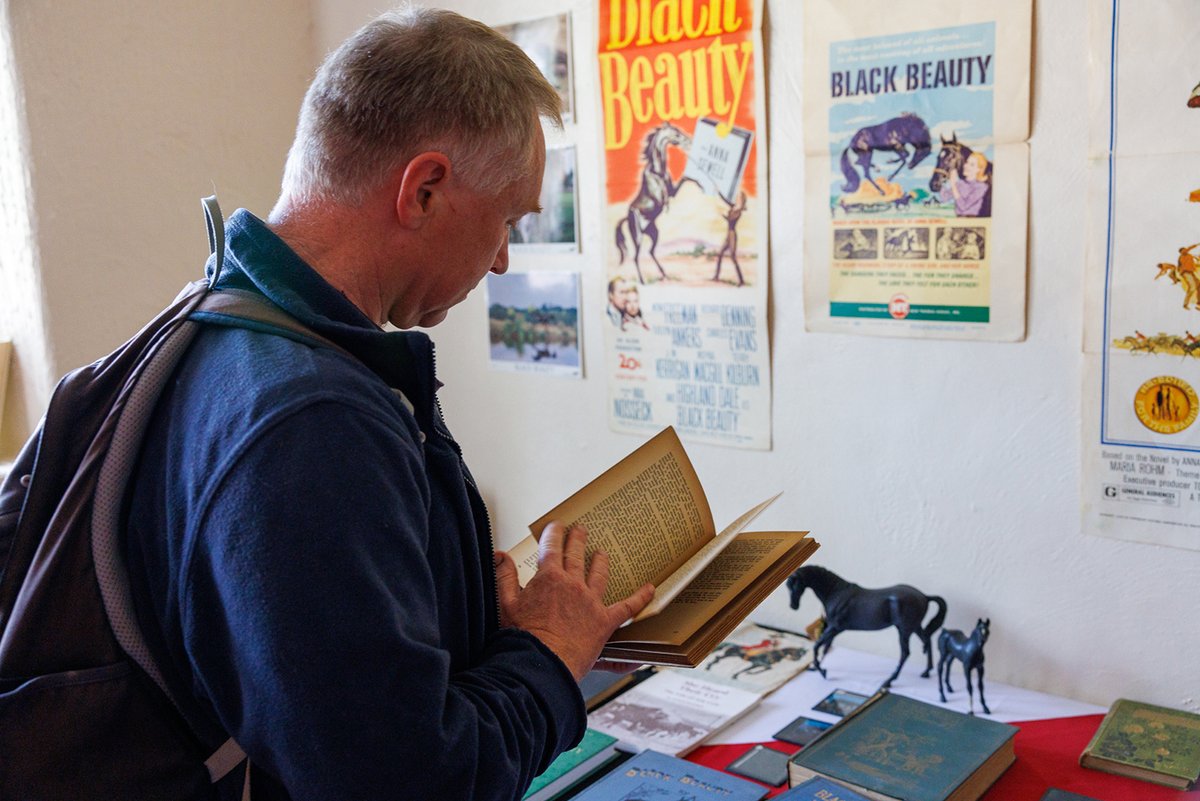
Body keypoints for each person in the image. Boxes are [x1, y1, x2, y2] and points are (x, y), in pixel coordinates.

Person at [123, 8, 654, 800]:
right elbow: (411, 783)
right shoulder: (310, 425)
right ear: (426, 188)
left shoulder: (212, 317)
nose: (505, 259)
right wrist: (548, 650)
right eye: (507, 218)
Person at [940, 150, 991, 217]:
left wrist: (953, 184)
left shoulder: (981, 187)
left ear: (979, 169)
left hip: (973, 221)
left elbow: (963, 206)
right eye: (967, 162)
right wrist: (941, 180)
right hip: (958, 220)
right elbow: (944, 198)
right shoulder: (960, 183)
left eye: (972, 165)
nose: (966, 166)